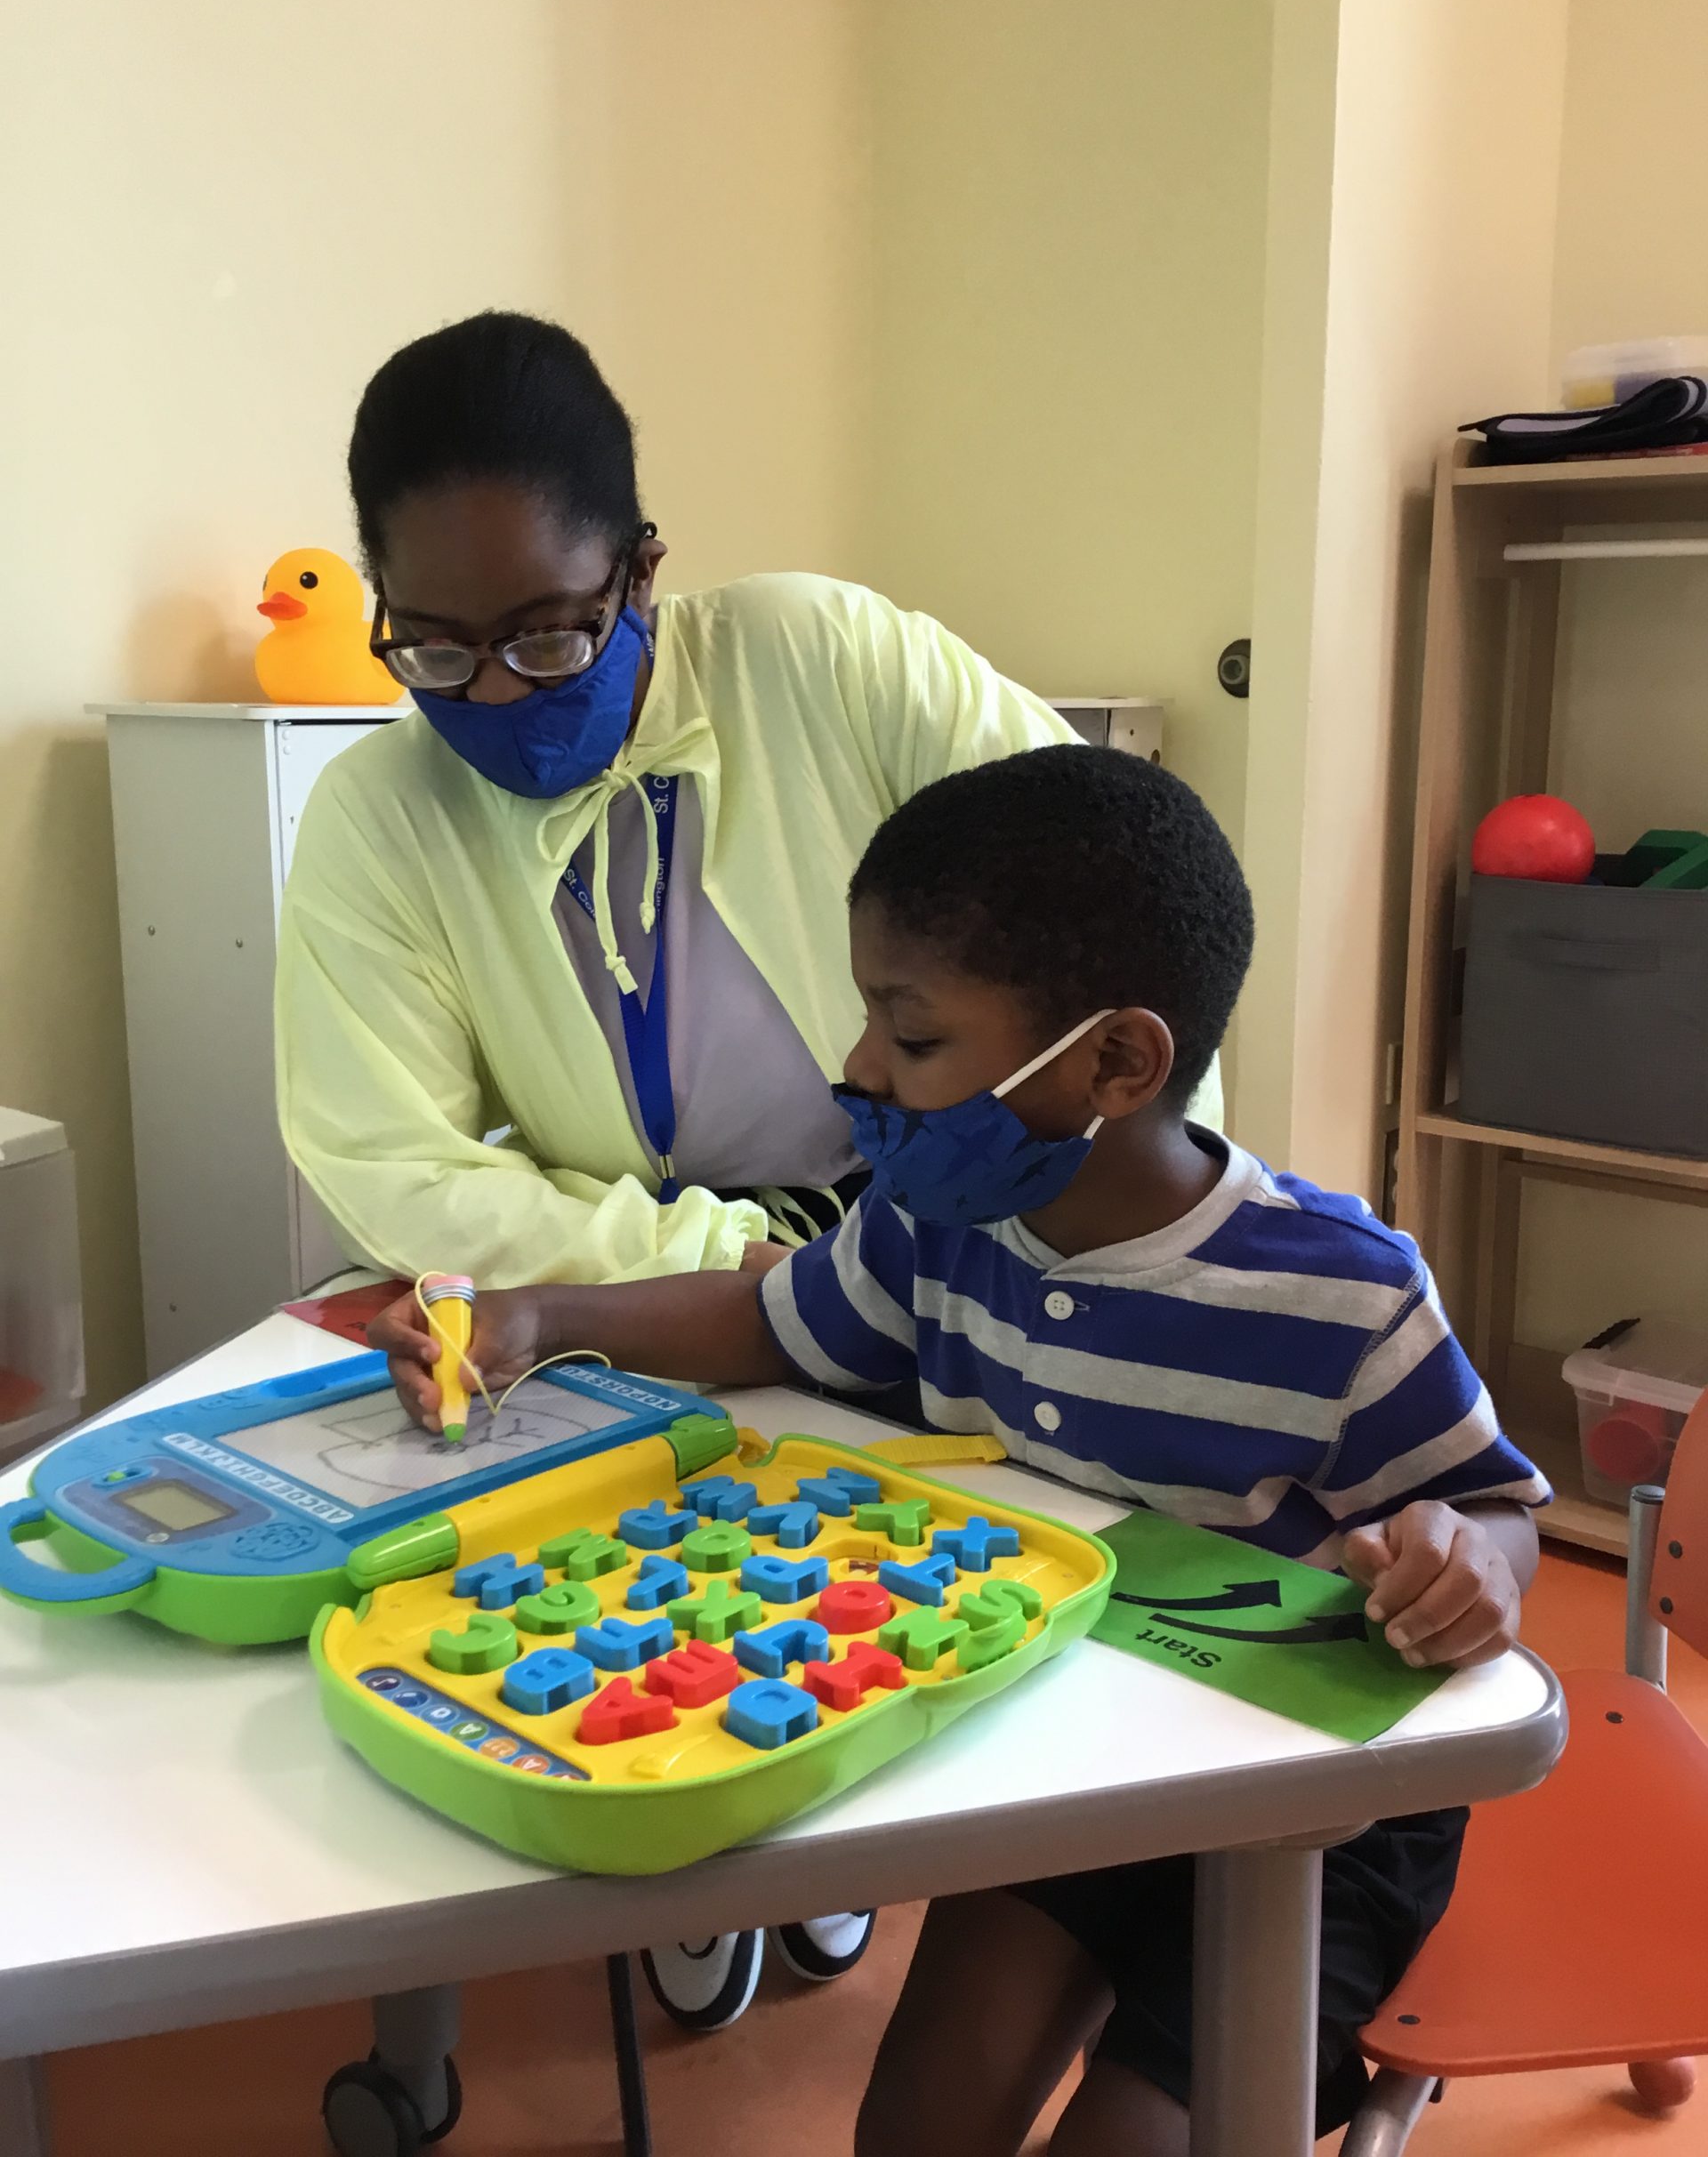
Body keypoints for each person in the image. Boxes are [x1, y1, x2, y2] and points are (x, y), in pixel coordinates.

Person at [369, 744, 1549, 2154]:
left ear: (1116, 1061)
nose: (858, 1067)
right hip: (1080, 1762)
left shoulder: (1338, 1293)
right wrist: (546, 1312)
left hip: (1313, 1826)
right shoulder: (935, 1229)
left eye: (911, 1037)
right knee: (913, 2135)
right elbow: (771, 1317)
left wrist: (1472, 1562)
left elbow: (1489, 1509)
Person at [278, 310, 1227, 1291]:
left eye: (548, 637)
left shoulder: (825, 658)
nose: (495, 690)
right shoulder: (379, 811)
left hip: (956, 1245)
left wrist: (1137, 1248)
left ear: (641, 577)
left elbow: (1123, 912)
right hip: (646, 1287)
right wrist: (737, 1267)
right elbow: (393, 1170)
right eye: (435, 647)